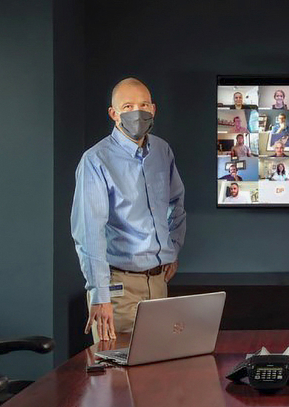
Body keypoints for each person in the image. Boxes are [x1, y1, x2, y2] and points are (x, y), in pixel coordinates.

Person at [71, 77, 185, 341]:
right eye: (128, 106)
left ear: (153, 109)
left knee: (160, 373)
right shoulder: (96, 160)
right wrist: (100, 295)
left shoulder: (162, 150)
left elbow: (176, 203)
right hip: (118, 291)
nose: (138, 112)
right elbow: (89, 232)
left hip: (158, 284)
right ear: (113, 114)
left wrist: (173, 249)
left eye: (144, 104)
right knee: (117, 378)